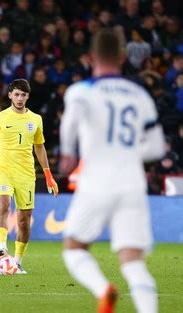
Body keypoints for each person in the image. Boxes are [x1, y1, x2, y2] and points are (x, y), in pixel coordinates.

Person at [59, 29, 166, 313]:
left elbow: (71, 119)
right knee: (134, 263)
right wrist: (128, 154)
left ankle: (103, 289)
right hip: (132, 182)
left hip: (97, 179)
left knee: (74, 248)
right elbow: (157, 148)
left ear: (91, 57)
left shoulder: (82, 90)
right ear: (122, 56)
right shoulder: (139, 94)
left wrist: (68, 151)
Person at [0, 78, 59, 274]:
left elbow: (39, 147)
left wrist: (48, 175)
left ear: (28, 96)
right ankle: (2, 248)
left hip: (27, 174)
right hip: (4, 170)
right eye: (17, 94)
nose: (20, 98)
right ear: (10, 95)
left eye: (23, 95)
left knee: (24, 219)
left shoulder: (36, 119)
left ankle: (18, 261)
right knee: (3, 205)